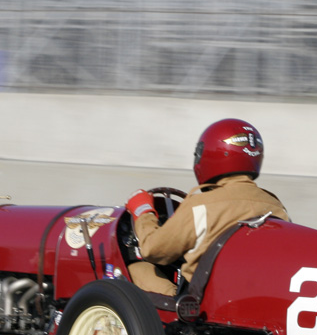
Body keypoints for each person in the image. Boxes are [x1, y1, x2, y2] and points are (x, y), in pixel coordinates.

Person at [124, 118, 290, 296]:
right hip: (253, 296)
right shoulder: (277, 206)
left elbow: (152, 249)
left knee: (135, 269)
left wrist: (143, 211)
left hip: (203, 303)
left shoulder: (200, 206)